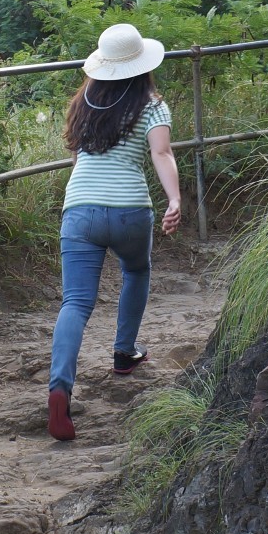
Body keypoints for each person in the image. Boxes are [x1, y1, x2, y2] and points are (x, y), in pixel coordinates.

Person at [47, 22, 182, 442]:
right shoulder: (152, 104)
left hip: (80, 210)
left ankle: (58, 389)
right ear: (142, 63)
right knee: (136, 272)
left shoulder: (82, 103)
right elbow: (161, 152)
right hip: (129, 211)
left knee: (75, 302)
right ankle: (124, 354)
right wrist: (175, 200)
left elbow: (77, 161)